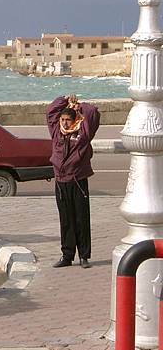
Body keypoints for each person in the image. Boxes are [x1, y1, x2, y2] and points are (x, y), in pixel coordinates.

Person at [46, 94, 100, 269]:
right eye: (62, 119)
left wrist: (79, 105)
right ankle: (67, 256)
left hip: (78, 181)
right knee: (66, 220)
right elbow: (50, 112)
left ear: (74, 120)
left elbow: (92, 113)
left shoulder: (83, 133)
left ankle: (84, 256)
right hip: (61, 182)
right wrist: (64, 99)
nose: (65, 123)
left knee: (81, 219)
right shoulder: (56, 132)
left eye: (68, 120)